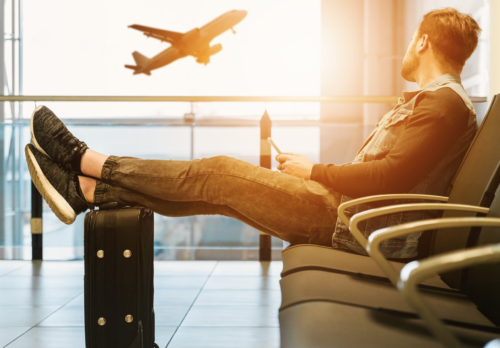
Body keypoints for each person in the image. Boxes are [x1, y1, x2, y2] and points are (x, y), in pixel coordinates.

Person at [25, 7, 481, 259]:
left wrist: (316, 170)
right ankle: (86, 191)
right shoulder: (441, 104)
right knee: (218, 194)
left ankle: (84, 160)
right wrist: (316, 173)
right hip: (350, 218)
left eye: (409, 42)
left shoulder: (442, 104)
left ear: (422, 41)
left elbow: (391, 178)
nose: (405, 50)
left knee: (217, 173)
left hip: (350, 225)